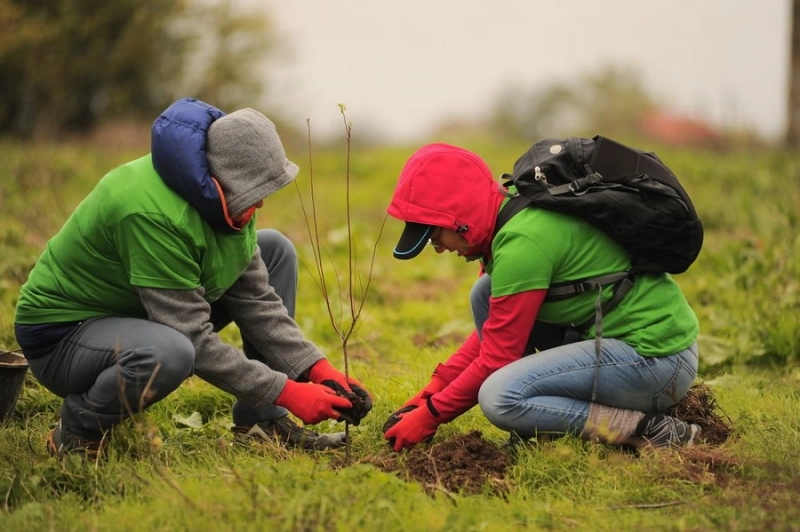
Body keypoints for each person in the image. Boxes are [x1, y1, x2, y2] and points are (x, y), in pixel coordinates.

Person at [14, 97, 372, 460]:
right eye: (255, 191)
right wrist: (288, 391)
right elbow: (190, 337)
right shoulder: (148, 211)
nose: (260, 205)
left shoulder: (225, 196)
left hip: (143, 313)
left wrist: (316, 368)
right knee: (172, 351)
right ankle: (76, 432)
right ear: (224, 179)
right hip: (65, 336)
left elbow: (257, 302)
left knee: (275, 248)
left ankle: (262, 423)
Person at [382, 142, 700, 452]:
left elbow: (496, 358)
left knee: (500, 398)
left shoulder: (522, 244)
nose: (438, 247)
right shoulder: (513, 217)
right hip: (621, 348)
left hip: (656, 362)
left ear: (459, 218)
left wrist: (432, 415)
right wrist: (433, 391)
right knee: (485, 292)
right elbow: (496, 333)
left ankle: (648, 430)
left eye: (435, 235)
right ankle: (538, 428)